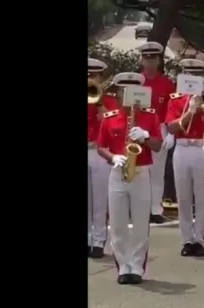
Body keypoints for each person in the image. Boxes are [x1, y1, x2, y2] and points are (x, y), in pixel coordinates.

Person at [96, 72, 163, 285]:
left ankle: (136, 266)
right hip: (118, 172)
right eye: (124, 91)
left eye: (133, 91)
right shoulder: (110, 118)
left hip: (141, 172)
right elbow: (100, 147)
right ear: (118, 94)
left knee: (141, 222)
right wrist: (113, 156)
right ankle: (123, 266)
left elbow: (158, 146)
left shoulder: (150, 116)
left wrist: (145, 137)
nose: (128, 95)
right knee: (118, 223)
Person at [165, 59, 204, 257]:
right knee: (183, 197)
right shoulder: (175, 99)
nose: (193, 78)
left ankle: (200, 240)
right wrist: (188, 112)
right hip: (182, 148)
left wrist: (202, 107)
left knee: (202, 196)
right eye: (189, 74)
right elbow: (171, 128)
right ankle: (186, 240)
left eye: (197, 75)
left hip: (201, 148)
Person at [136, 41, 176, 224]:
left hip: (159, 127)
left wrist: (170, 132)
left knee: (157, 172)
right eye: (147, 58)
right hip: (136, 128)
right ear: (142, 60)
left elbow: (171, 109)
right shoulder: (135, 80)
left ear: (159, 60)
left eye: (154, 58)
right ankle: (138, 206)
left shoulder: (167, 84)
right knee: (138, 169)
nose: (150, 62)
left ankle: (155, 209)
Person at [87, 58, 111, 259]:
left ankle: (98, 241)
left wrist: (100, 104)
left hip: (100, 152)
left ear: (101, 77)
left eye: (94, 75)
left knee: (100, 200)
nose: (91, 79)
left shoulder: (109, 99)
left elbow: (114, 124)